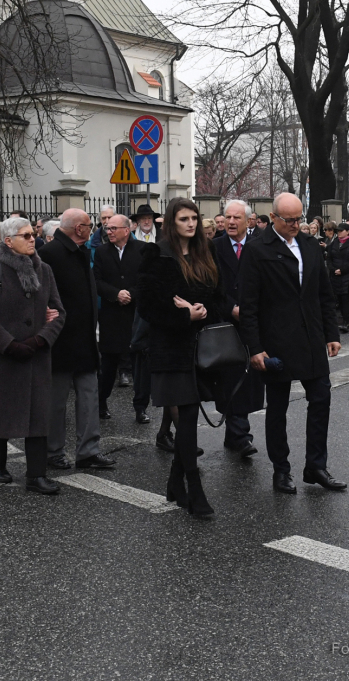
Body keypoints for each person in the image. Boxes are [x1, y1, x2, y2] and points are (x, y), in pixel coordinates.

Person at [239, 192, 346, 494]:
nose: (296, 225)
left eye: (299, 219)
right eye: (289, 220)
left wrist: (332, 334)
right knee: (277, 408)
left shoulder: (311, 246)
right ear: (273, 218)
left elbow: (323, 294)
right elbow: (249, 305)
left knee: (321, 399)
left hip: (311, 338)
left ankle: (316, 466)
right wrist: (255, 347)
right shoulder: (258, 250)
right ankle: (281, 469)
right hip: (276, 343)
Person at [138, 198, 225, 517]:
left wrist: (202, 312)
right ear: (171, 223)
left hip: (202, 347)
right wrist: (183, 316)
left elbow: (217, 295)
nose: (190, 224)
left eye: (194, 218)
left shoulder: (207, 251)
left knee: (189, 417)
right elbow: (146, 307)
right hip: (170, 347)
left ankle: (175, 485)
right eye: (183, 219)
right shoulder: (156, 255)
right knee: (187, 417)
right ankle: (194, 490)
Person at [0, 217, 65, 493]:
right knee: (1, 413)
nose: (31, 239)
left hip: (37, 355)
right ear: (8, 240)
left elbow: (59, 311)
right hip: (4, 356)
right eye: (25, 236)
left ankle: (36, 475)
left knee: (38, 416)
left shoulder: (44, 269)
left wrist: (40, 339)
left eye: (32, 234)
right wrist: (10, 345)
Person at [39, 209, 116, 470]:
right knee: (56, 401)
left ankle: (88, 452)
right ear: (79, 228)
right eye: (89, 224)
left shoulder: (82, 251)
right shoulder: (49, 254)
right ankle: (52, 452)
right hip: (59, 340)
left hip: (84, 338)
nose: (94, 228)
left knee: (89, 395)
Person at [213, 199, 265, 458]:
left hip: (252, 322)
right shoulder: (214, 248)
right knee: (228, 379)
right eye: (227, 217)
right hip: (224, 323)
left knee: (247, 378)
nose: (231, 222)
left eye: (237, 218)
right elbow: (210, 285)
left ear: (248, 221)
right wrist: (230, 307)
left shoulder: (259, 247)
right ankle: (238, 434)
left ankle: (238, 434)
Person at [94, 214, 146, 421]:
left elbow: (146, 279)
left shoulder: (142, 249)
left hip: (136, 316)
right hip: (111, 315)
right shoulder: (101, 252)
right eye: (107, 228)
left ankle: (141, 408)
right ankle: (101, 403)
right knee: (108, 365)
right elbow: (96, 280)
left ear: (127, 230)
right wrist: (115, 294)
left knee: (139, 366)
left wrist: (131, 294)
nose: (109, 232)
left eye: (113, 228)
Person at [327, 222, 349, 334]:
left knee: (346, 299)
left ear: (347, 231)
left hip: (347, 275)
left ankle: (347, 321)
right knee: (339, 299)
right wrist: (333, 269)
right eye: (338, 231)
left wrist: (343, 270)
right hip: (335, 276)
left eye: (341, 231)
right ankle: (341, 320)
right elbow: (329, 258)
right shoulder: (335, 243)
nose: (339, 233)